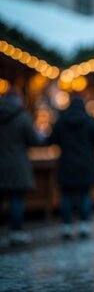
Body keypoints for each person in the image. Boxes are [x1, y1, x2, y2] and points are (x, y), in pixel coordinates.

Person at [47, 95, 94, 240]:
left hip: (66, 163)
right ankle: (84, 225)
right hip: (86, 163)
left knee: (66, 196)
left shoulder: (61, 121)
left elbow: (50, 140)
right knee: (85, 195)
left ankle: (66, 227)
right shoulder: (91, 122)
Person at [0, 91, 42, 247]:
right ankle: (15, 232)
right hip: (16, 164)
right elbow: (35, 140)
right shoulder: (22, 117)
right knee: (16, 199)